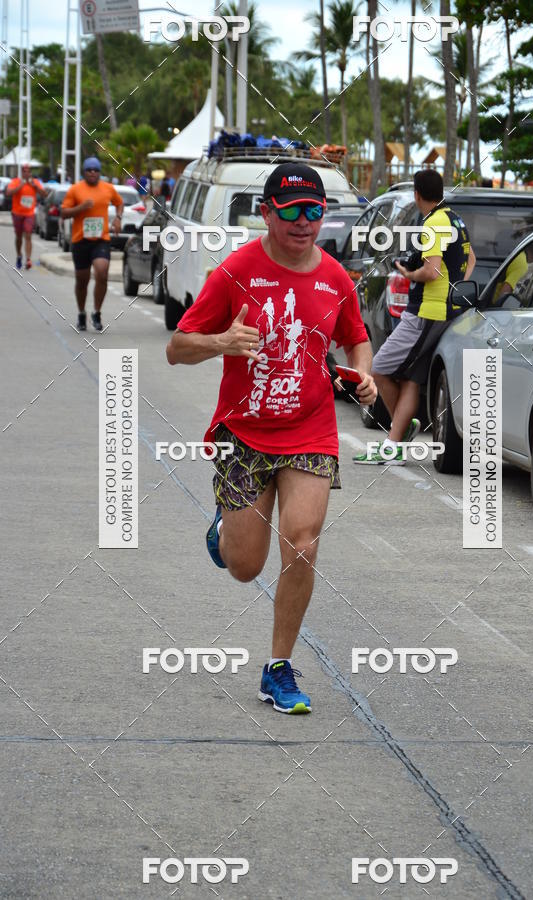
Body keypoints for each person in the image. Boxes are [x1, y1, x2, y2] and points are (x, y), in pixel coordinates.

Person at [166, 162, 376, 715]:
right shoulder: (235, 272)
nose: (305, 222)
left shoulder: (334, 278)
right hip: (246, 432)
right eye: (291, 212)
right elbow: (178, 346)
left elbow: (357, 339)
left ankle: (278, 667)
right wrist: (222, 341)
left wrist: (365, 374)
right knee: (245, 566)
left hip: (311, 429)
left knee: (302, 544)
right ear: (266, 213)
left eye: (315, 210)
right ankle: (224, 529)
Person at [353, 168, 475, 465]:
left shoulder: (433, 223)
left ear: (417, 195)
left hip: (425, 312)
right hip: (444, 311)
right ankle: (397, 437)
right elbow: (470, 259)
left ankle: (399, 435)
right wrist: (454, 289)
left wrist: (409, 273)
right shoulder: (455, 219)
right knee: (410, 378)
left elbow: (431, 270)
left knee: (380, 368)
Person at [60, 157, 124, 332]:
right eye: (89, 170)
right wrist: (81, 208)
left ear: (99, 172)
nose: (93, 173)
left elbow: (119, 203)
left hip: (101, 239)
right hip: (80, 240)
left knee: (102, 272)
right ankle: (81, 313)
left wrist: (118, 219)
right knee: (82, 281)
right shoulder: (75, 190)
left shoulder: (108, 188)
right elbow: (64, 213)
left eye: (96, 170)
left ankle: (96, 312)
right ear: (84, 172)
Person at [5, 164, 48, 270]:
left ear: (31, 173)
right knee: (19, 237)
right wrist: (21, 185)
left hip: (29, 214)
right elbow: (8, 192)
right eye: (24, 171)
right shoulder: (16, 182)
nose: (26, 173)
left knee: (28, 235)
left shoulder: (35, 182)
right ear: (21, 173)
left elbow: (45, 194)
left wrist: (35, 186)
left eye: (28, 171)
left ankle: (28, 259)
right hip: (17, 213)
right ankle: (19, 255)